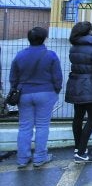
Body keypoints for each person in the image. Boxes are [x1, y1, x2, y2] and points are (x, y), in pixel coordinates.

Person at [10, 27, 63, 168]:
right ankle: (40, 157)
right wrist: (55, 91)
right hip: (46, 93)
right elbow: (57, 78)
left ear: (29, 39)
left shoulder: (20, 55)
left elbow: (13, 78)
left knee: (24, 126)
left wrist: (15, 89)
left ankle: (22, 158)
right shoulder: (50, 55)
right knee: (42, 125)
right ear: (44, 38)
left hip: (24, 93)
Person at [65, 21, 92, 163]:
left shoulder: (74, 47)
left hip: (75, 85)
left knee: (78, 117)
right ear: (89, 31)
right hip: (91, 87)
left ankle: (78, 148)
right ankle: (81, 152)